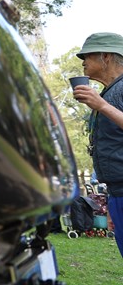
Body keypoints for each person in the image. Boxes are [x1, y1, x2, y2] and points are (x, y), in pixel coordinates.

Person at [73, 32, 123, 257]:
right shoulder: (110, 90)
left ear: (105, 56)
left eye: (88, 56)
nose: (83, 62)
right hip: (117, 193)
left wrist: (101, 105)